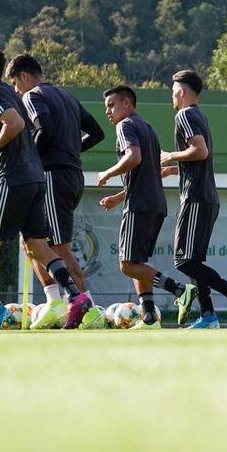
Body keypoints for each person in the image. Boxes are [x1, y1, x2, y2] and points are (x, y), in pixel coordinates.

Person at [0, 44, 92, 332]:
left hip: (14, 178)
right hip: (36, 177)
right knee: (37, 245)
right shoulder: (14, 93)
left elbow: (15, 123)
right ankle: (76, 295)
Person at [5, 54, 105, 326]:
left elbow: (44, 128)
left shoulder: (32, 96)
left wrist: (30, 159)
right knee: (33, 243)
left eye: (15, 83)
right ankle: (55, 302)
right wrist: (70, 151)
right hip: (70, 174)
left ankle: (89, 309)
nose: (16, 91)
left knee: (59, 248)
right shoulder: (68, 97)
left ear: (25, 76)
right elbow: (97, 133)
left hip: (52, 176)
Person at [160, 70, 227, 328]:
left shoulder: (184, 114)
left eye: (172, 91)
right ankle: (208, 316)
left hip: (196, 197)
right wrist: (174, 168)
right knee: (194, 260)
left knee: (183, 260)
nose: (172, 97)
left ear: (181, 91)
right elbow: (199, 156)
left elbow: (199, 151)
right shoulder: (199, 114)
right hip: (206, 197)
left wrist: (169, 156)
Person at [97, 86, 167, 330]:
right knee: (138, 263)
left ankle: (179, 289)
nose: (108, 111)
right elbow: (149, 173)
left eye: (111, 105)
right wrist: (118, 197)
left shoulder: (125, 125)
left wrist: (108, 172)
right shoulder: (148, 128)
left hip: (140, 204)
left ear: (127, 103)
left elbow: (134, 158)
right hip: (155, 202)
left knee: (127, 264)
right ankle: (148, 317)